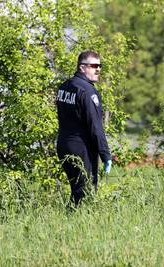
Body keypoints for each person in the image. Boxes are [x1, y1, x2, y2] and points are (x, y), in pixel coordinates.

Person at [56, 51, 112, 206]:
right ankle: (77, 225)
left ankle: (69, 222)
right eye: (94, 66)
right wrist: (106, 155)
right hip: (81, 148)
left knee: (76, 191)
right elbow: (96, 127)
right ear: (82, 67)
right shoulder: (87, 91)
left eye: (99, 66)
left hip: (63, 145)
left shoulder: (64, 86)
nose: (98, 69)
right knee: (86, 193)